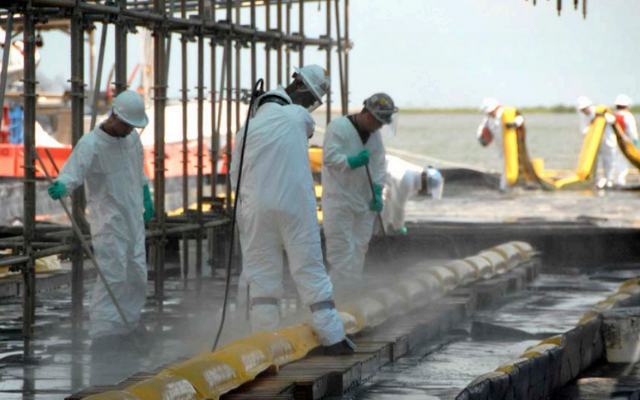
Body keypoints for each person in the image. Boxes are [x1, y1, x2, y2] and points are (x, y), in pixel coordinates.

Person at [230, 65, 354, 355]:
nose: (307, 105)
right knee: (309, 268)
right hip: (295, 208)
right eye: (309, 98)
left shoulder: (246, 128)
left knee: (261, 277)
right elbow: (306, 127)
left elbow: (236, 174)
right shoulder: (299, 116)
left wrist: (248, 210)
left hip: (255, 209)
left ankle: (265, 344)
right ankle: (333, 337)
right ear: (297, 86)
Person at [48, 90, 153, 348]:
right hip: (109, 221)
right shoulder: (91, 144)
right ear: (115, 116)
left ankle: (128, 321)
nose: (130, 130)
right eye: (127, 125)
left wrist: (146, 196)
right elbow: (74, 171)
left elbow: (138, 173)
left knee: (137, 273)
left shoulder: (132, 141)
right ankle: (105, 333)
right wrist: (63, 185)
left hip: (133, 218)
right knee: (113, 275)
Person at [321, 93, 397, 287]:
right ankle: (338, 295)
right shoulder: (338, 127)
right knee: (341, 251)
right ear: (370, 116)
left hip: (364, 200)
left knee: (359, 249)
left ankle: (352, 290)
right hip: (339, 199)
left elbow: (379, 163)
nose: (379, 128)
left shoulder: (374, 135)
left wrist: (378, 190)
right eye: (378, 123)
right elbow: (329, 158)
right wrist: (351, 162)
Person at [382, 155, 443, 235]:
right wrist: (399, 227)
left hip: (381, 174)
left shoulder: (414, 172)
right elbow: (398, 208)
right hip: (373, 176)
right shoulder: (406, 182)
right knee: (379, 208)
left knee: (386, 206)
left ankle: (379, 232)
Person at [476, 97, 524, 191]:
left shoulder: (505, 113)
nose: (489, 113)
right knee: (506, 169)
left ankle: (508, 189)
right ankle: (507, 189)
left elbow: (520, 118)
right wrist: (481, 138)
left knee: (512, 169)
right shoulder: (488, 119)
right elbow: (481, 130)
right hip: (501, 148)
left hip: (512, 147)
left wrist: (514, 124)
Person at [576, 96, 617, 188]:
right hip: (593, 144)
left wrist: (602, 117)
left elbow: (613, 120)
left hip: (607, 141)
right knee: (594, 162)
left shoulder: (602, 111)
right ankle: (595, 180)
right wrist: (592, 122)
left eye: (585, 108)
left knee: (609, 161)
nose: (584, 111)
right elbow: (583, 131)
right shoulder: (584, 117)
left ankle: (609, 180)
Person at [613, 94, 639, 186]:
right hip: (624, 143)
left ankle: (613, 180)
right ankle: (620, 182)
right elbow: (632, 132)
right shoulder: (628, 116)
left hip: (613, 143)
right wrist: (636, 143)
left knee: (614, 162)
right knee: (622, 162)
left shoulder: (612, 115)